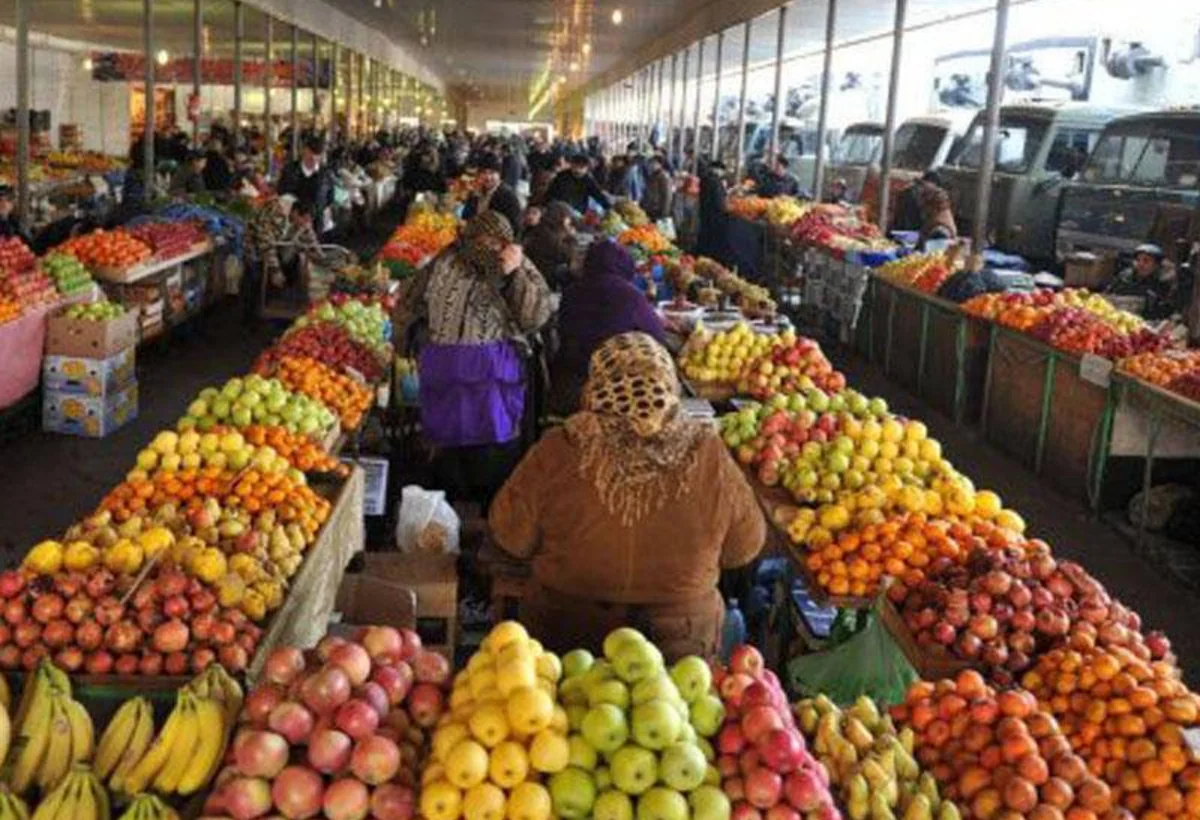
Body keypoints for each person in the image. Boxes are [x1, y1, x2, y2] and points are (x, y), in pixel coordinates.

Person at [489, 332, 766, 660]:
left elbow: (511, 537)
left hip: (570, 637)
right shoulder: (707, 451)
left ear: (595, 387)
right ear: (669, 386)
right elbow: (744, 548)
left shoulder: (560, 447)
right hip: (681, 643)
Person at [404, 212, 553, 505]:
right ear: (469, 238)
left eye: (497, 242)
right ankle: (449, 507)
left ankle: (490, 509)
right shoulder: (446, 260)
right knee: (448, 450)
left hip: (490, 376)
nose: (489, 248)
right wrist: (417, 337)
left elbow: (535, 316)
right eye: (483, 240)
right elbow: (412, 301)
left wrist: (513, 275)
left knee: (490, 447)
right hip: (445, 372)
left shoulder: (517, 265)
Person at [548, 240, 667, 416]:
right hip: (617, 388)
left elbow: (564, 331)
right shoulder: (631, 296)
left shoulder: (571, 293)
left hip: (571, 382)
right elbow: (657, 337)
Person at [243, 195, 324, 322]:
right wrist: (275, 270)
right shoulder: (273, 214)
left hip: (277, 247)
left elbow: (309, 235)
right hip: (255, 248)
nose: (304, 223)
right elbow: (266, 244)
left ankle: (269, 307)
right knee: (255, 280)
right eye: (303, 219)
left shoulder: (300, 218)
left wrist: (322, 257)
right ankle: (249, 318)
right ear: (295, 213)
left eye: (308, 220)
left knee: (277, 279)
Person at [1106, 243, 1181, 320]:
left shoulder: (1163, 284)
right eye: (1138, 260)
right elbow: (1108, 296)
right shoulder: (1124, 277)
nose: (1140, 264)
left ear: (1156, 265)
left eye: (1146, 261)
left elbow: (1168, 311)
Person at [463, 155, 523, 239]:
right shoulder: (475, 193)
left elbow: (515, 228)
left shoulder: (508, 196)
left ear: (499, 175)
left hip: (496, 242)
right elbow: (466, 217)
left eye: (492, 172)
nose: (488, 177)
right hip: (476, 238)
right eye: (484, 172)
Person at [278, 136, 333, 224]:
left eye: (317, 154)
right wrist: (294, 212)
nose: (313, 157)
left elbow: (329, 199)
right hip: (291, 222)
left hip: (316, 223)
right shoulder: (290, 170)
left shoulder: (326, 174)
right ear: (304, 150)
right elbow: (281, 192)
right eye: (311, 153)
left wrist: (316, 214)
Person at [522, 201, 576, 291]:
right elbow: (568, 255)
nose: (569, 221)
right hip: (543, 277)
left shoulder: (541, 228)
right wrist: (571, 237)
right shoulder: (550, 236)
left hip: (534, 272)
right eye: (568, 217)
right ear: (561, 217)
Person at [544, 153, 611, 214]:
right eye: (575, 166)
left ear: (587, 168)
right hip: (560, 209)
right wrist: (545, 205)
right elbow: (551, 192)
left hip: (578, 212)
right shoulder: (562, 176)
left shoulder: (588, 180)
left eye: (581, 167)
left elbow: (598, 195)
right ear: (571, 165)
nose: (578, 170)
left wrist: (608, 208)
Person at [696, 160, 732, 264]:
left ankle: (700, 257)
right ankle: (707, 259)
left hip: (705, 213)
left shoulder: (704, 179)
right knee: (711, 240)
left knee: (704, 236)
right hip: (714, 216)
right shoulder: (715, 181)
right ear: (718, 170)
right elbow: (719, 202)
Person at [917, 183, 957, 249]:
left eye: (924, 204)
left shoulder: (939, 230)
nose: (922, 208)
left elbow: (935, 253)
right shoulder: (935, 220)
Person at [641, 154, 673, 222]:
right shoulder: (652, 175)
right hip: (650, 207)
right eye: (651, 163)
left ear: (660, 164)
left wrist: (664, 212)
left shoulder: (664, 177)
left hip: (658, 209)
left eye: (654, 163)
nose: (651, 165)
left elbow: (667, 195)